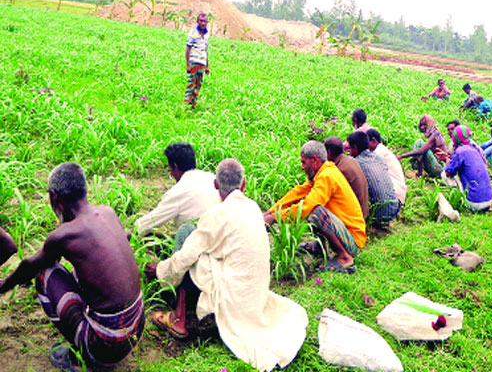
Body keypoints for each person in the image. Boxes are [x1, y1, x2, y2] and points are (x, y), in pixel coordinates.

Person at [146, 159, 308, 371]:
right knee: (198, 246)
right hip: (255, 294)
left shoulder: (216, 215)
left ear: (215, 184)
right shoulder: (252, 208)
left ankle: (179, 318)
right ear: (243, 185)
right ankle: (186, 309)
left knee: (187, 236)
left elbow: (186, 256)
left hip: (232, 295)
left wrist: (159, 270)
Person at [0, 163, 144, 370]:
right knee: (79, 270)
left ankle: (82, 358)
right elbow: (122, 240)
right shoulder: (107, 212)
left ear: (53, 196)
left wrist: (4, 284)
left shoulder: (64, 235)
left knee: (44, 273)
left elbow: (29, 266)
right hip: (136, 328)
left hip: (106, 345)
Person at [136, 142, 221, 337]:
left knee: (183, 237)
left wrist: (127, 233)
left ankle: (178, 314)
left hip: (201, 257)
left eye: (170, 169)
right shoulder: (211, 178)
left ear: (174, 167)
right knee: (167, 239)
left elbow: (148, 223)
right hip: (221, 250)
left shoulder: (178, 191)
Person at [264, 141, 366, 274]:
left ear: (315, 160)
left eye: (303, 162)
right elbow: (298, 192)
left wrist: (275, 218)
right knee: (314, 210)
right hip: (344, 230)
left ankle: (345, 258)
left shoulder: (327, 176)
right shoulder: (324, 171)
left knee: (316, 212)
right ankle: (319, 247)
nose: (302, 167)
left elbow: (306, 206)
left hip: (353, 240)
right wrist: (270, 212)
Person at [347, 131, 401, 227]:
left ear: (355, 148)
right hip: (394, 207)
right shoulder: (379, 158)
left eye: (350, 148)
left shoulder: (357, 163)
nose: (349, 151)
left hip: (378, 214)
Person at [444, 126, 492, 211]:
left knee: (444, 175)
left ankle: (460, 200)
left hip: (474, 203)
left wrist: (446, 160)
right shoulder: (475, 149)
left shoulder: (460, 151)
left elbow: (449, 172)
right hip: (489, 200)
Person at [324, 136, 370, 219]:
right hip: (363, 212)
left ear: (329, 153)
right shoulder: (351, 160)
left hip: (355, 217)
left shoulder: (340, 169)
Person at [366, 129, 407, 205]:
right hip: (397, 192)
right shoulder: (382, 150)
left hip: (394, 195)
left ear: (373, 140)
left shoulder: (378, 153)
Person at [184, 13, 210, 108]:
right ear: (197, 21)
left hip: (202, 64)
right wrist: (188, 65)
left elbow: (205, 50)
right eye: (201, 21)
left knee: (198, 85)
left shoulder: (207, 35)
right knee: (191, 83)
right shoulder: (193, 33)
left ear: (207, 22)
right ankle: (186, 104)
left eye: (205, 21)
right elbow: (188, 49)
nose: (203, 23)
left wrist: (207, 66)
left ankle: (193, 105)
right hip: (193, 62)